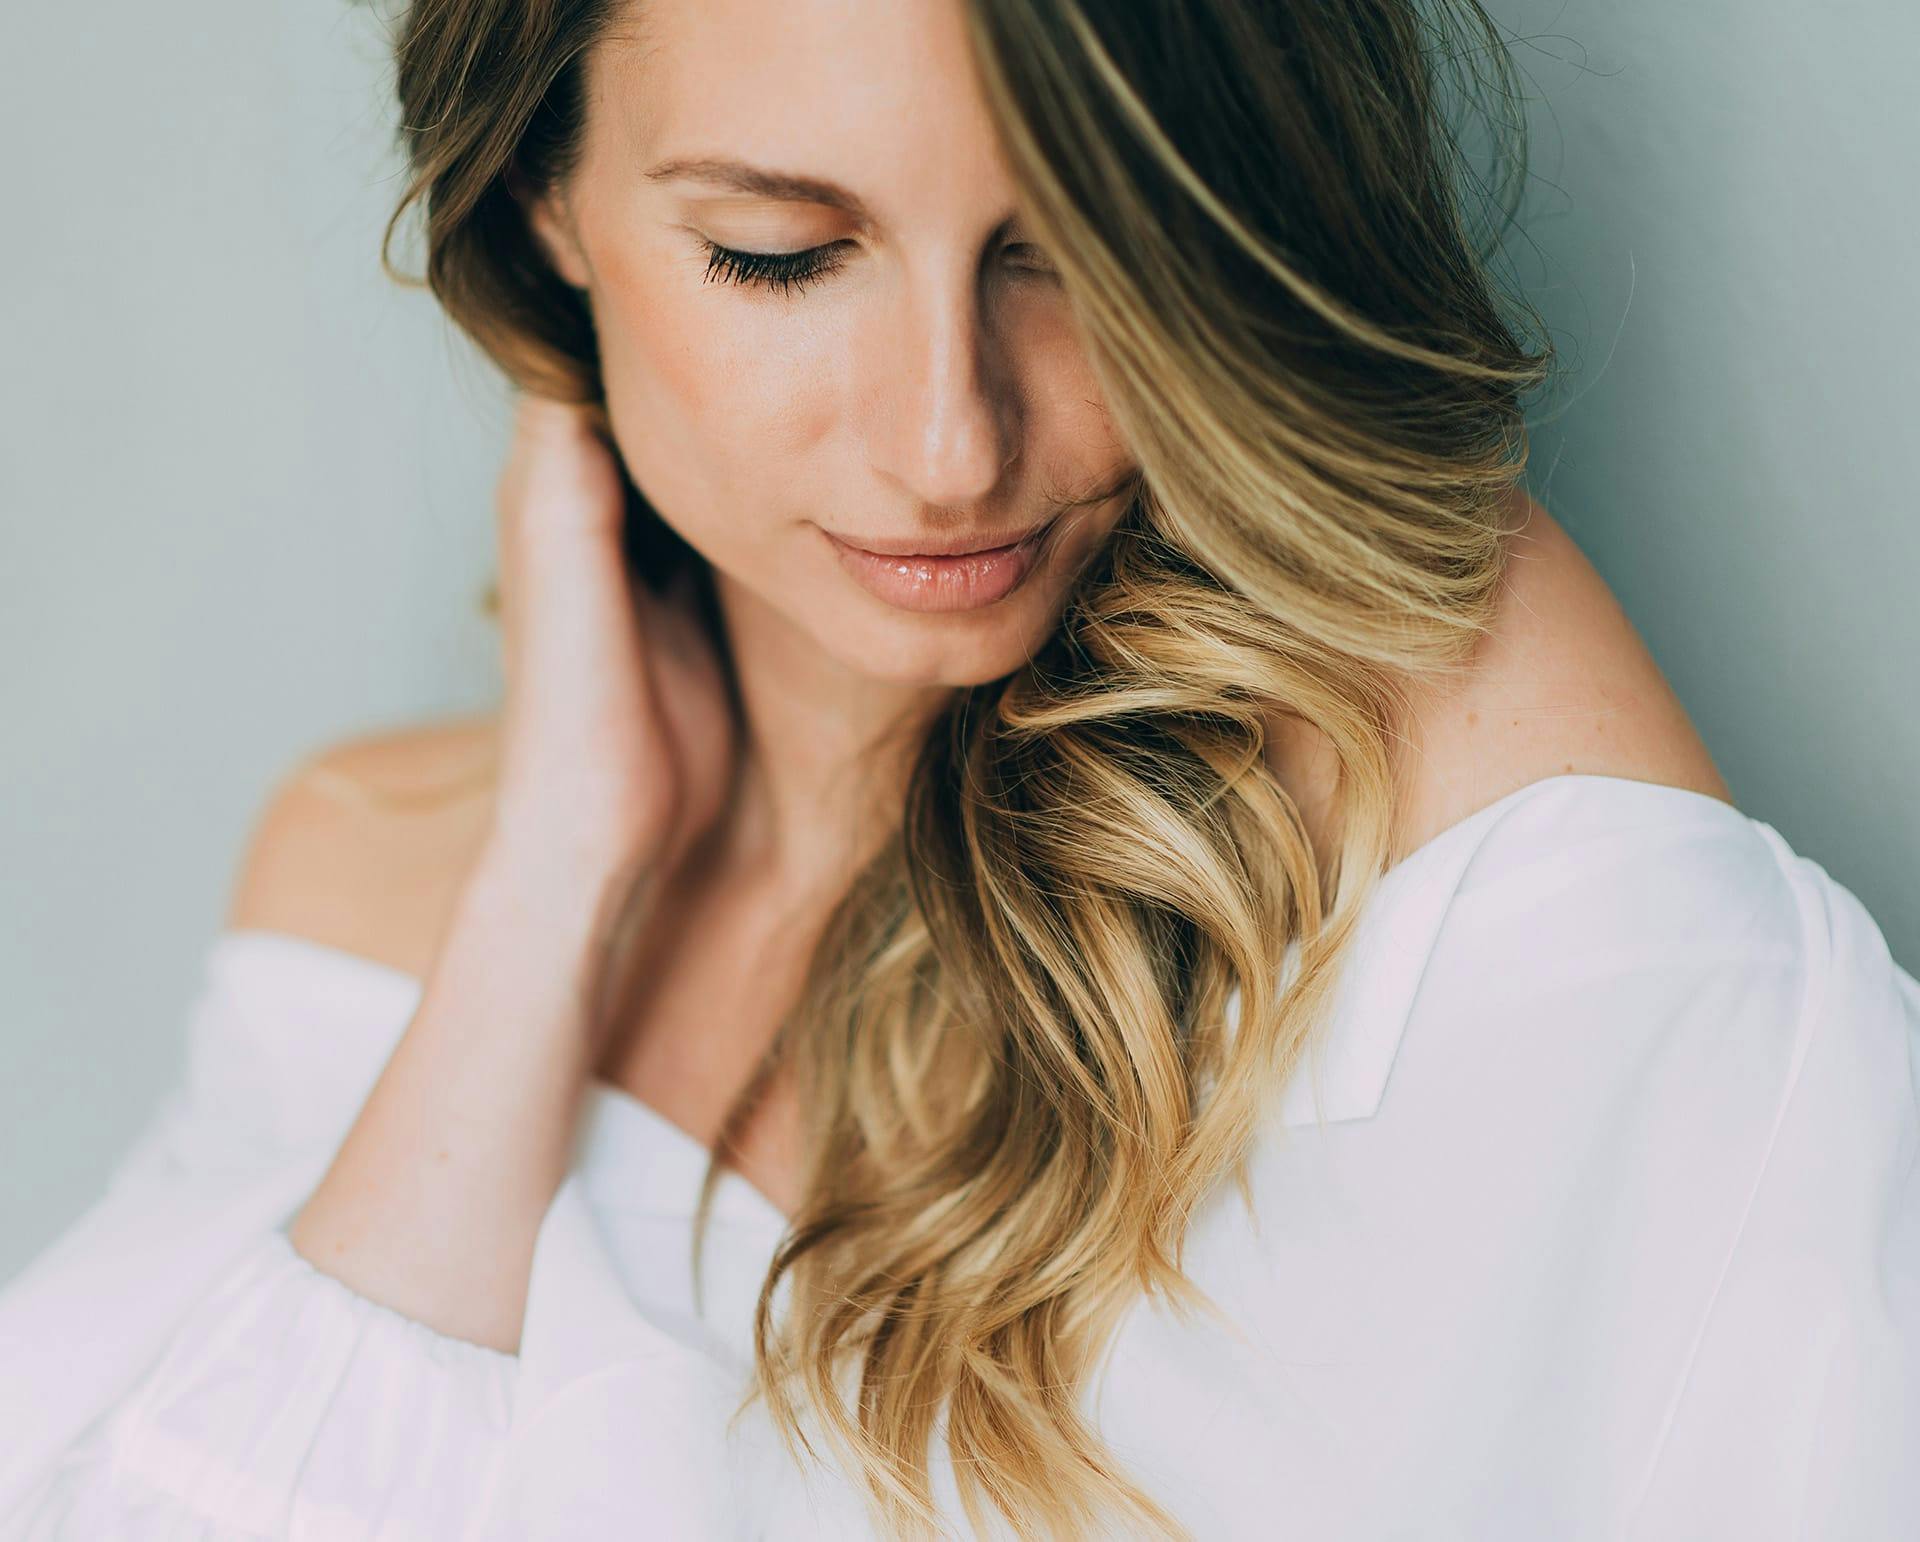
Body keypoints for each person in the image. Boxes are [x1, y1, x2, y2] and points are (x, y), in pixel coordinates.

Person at [3, 0, 1915, 1536]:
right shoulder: (360, 870)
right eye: (781, 255)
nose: (950, 442)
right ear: (542, 201)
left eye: (1073, 254)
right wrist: (554, 878)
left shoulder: (1450, 768)